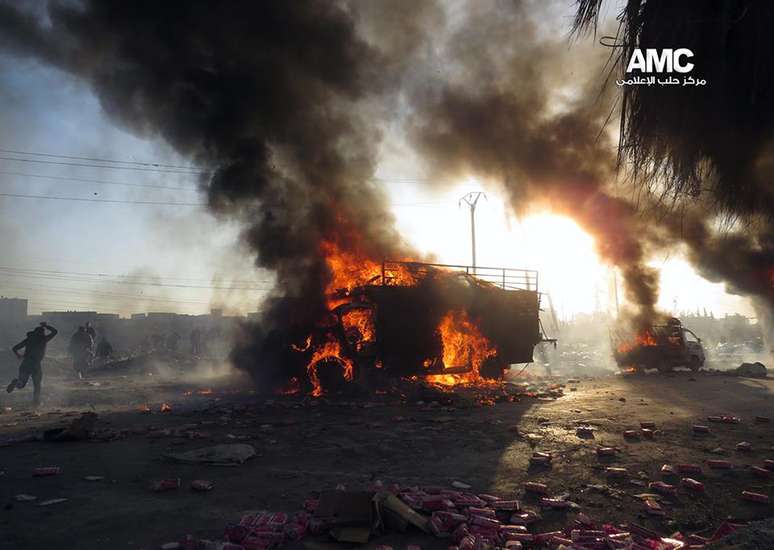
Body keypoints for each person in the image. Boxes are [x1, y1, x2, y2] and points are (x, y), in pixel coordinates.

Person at [6, 322, 58, 408]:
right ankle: (36, 402)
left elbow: (14, 348)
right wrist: (46, 326)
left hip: (25, 363)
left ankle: (16, 383)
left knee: (21, 384)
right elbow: (55, 332)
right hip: (35, 365)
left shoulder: (28, 340)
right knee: (37, 385)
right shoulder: (43, 339)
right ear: (41, 333)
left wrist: (18, 355)